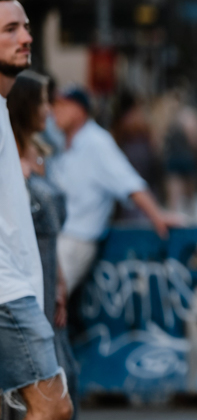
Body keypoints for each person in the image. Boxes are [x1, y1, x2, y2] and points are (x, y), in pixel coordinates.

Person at [0, 0, 74, 420]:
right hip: (6, 291)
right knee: (52, 407)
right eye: (11, 29)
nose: (27, 37)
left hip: (17, 283)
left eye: (26, 26)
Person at [50, 85, 178, 294]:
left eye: (61, 105)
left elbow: (129, 183)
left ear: (79, 109)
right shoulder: (62, 143)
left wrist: (157, 216)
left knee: (49, 299)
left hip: (76, 239)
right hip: (58, 237)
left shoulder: (97, 142)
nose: (55, 110)